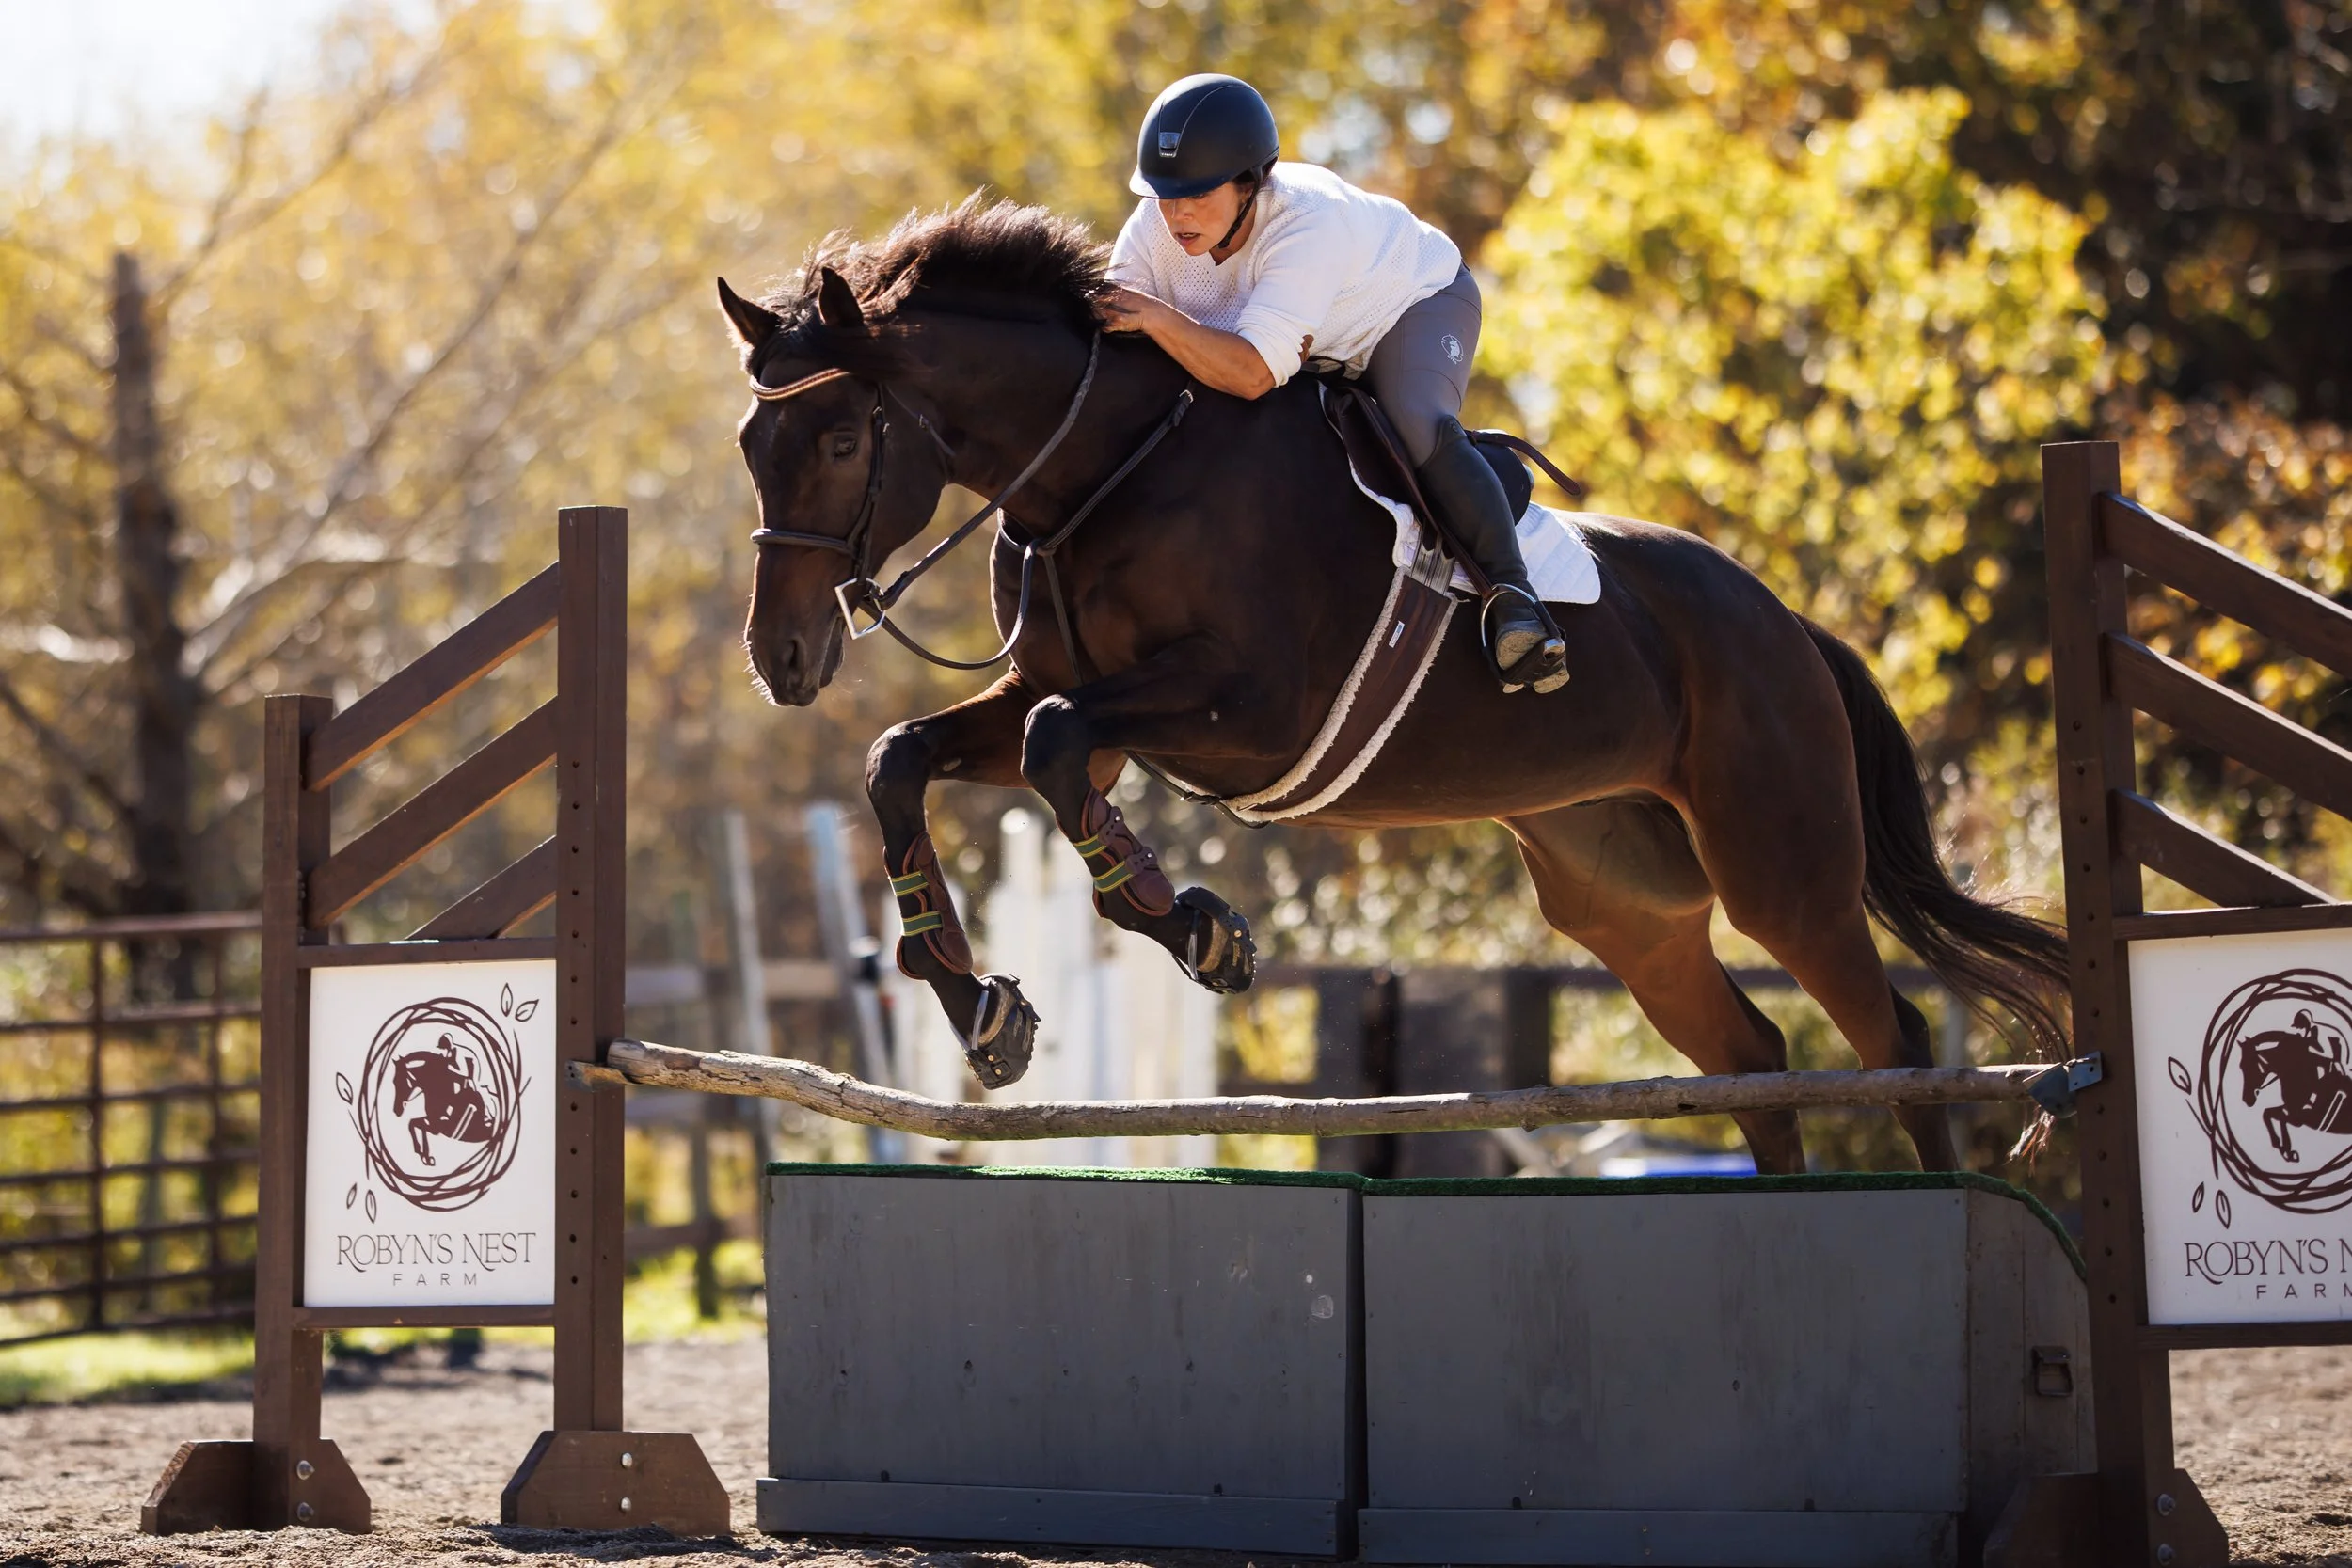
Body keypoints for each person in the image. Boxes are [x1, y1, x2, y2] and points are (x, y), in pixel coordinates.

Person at [1094, 73, 1569, 691]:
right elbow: (1114, 335)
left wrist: (1156, 316)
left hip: (1409, 307)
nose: (1176, 213)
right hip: (1311, 345)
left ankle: (1516, 601)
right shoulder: (1155, 225)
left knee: (1415, 424)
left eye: (1197, 193)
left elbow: (1250, 373)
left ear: (1250, 182)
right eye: (1164, 193)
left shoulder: (1303, 225)